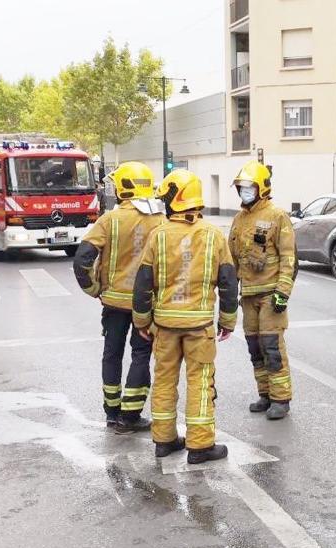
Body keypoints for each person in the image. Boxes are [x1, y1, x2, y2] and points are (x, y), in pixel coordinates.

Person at [132, 169, 239, 464]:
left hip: (165, 327)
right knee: (200, 382)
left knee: (164, 381)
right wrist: (228, 321)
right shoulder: (214, 235)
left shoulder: (159, 235)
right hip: (199, 327)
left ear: (176, 198)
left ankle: (164, 441)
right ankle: (201, 446)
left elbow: (143, 283)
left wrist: (142, 321)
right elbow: (229, 282)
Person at [73, 162, 165, 433]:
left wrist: (93, 289)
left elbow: (83, 259)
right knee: (141, 354)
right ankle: (131, 416)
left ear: (124, 187)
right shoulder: (161, 220)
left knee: (112, 354)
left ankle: (112, 412)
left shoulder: (110, 220)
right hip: (145, 305)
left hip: (113, 302)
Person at [229, 161, 297, 420]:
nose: (244, 192)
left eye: (248, 187)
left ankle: (281, 399)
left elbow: (289, 257)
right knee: (255, 347)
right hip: (248, 296)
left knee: (271, 346)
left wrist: (283, 291)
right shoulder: (238, 220)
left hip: (270, 295)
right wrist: (228, 290)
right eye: (241, 188)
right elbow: (232, 259)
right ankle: (265, 394)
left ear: (262, 188)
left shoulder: (277, 216)